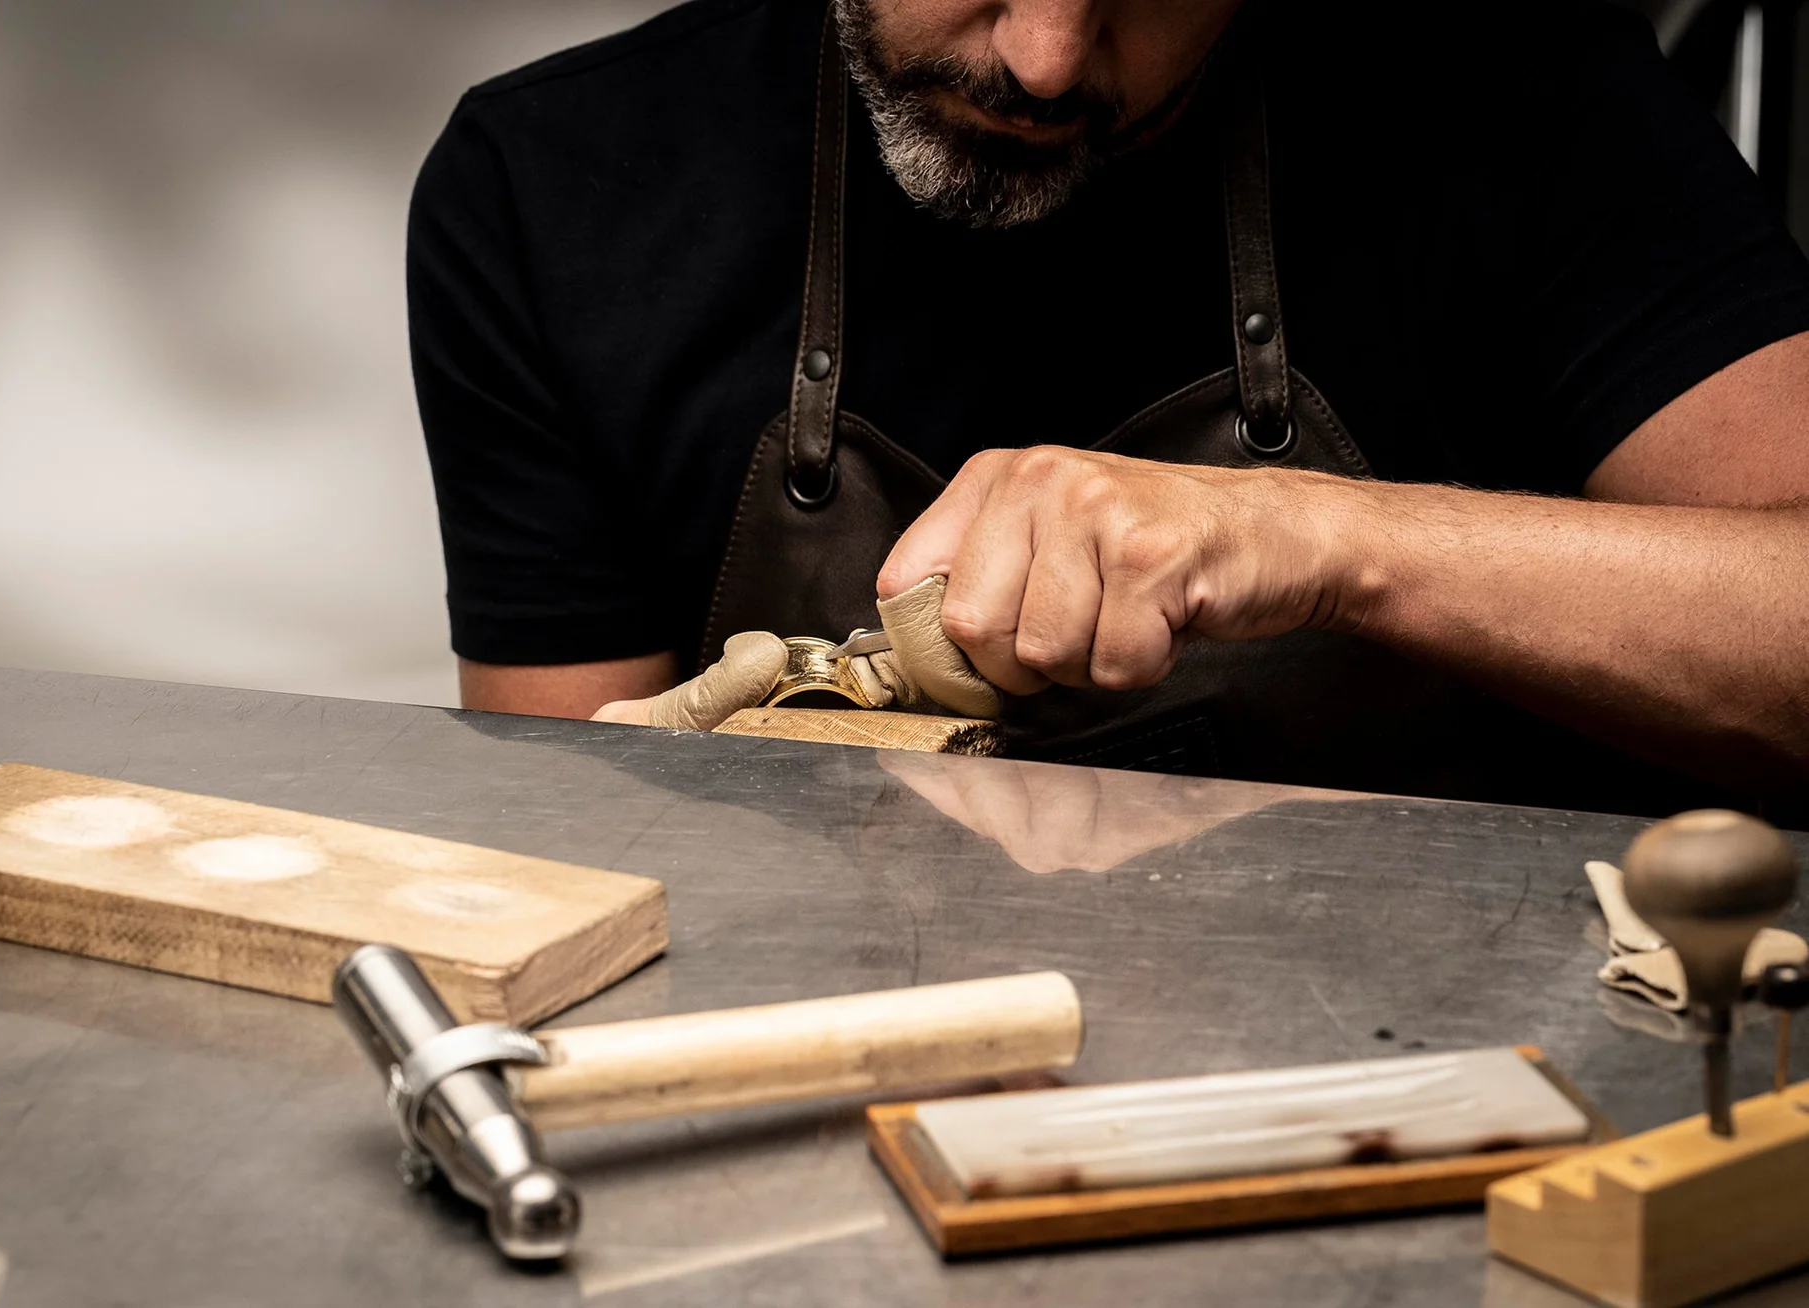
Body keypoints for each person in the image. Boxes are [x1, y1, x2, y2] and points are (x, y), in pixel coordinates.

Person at [408, 0, 1809, 813]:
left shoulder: (1517, 85)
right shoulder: (550, 185)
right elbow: (577, 846)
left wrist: (1325, 540)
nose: (1046, 59)